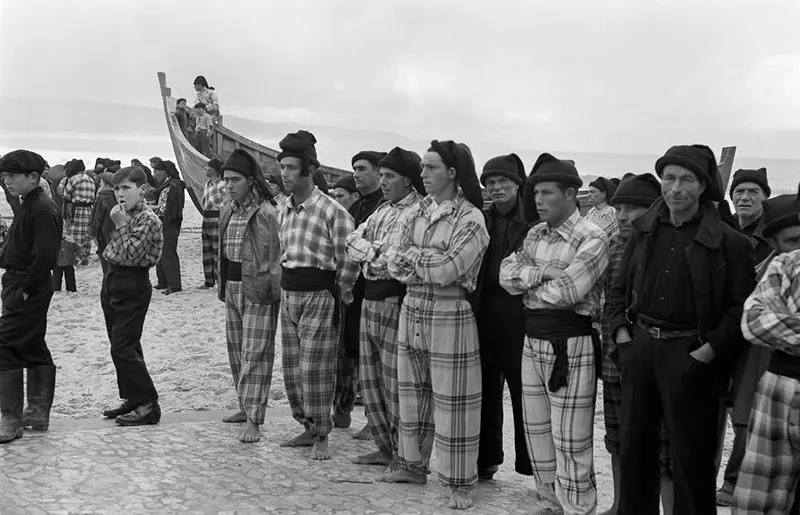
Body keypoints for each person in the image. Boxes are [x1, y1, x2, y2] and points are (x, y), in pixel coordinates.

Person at [607, 144, 756, 514]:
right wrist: (622, 338)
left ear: (703, 186)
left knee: (692, 458)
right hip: (640, 348)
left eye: (687, 179)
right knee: (634, 450)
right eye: (669, 178)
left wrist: (707, 353)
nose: (676, 188)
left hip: (691, 354)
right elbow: (618, 290)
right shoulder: (643, 233)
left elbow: (741, 309)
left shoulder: (730, 242)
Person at [380, 140, 489, 511]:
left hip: (449, 312)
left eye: (431, 168)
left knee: (454, 400)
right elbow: (393, 263)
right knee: (411, 392)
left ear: (452, 172)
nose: (423, 174)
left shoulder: (471, 218)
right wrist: (418, 260)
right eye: (423, 167)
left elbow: (449, 270)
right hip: (413, 306)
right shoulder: (418, 213)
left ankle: (459, 483)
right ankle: (412, 464)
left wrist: (413, 258)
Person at [499, 153, 609, 514]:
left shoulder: (592, 237)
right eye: (536, 194)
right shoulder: (534, 233)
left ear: (571, 193)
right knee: (537, 432)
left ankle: (578, 509)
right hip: (533, 338)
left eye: (546, 193)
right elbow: (505, 276)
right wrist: (546, 274)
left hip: (571, 342)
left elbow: (569, 293)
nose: (538, 200)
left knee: (572, 438)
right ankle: (550, 504)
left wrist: (530, 279)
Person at [276, 130, 359, 461]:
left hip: (320, 293)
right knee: (293, 367)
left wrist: (342, 291)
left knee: (316, 368)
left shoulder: (332, 211)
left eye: (291, 167)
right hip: (289, 291)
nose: (284, 173)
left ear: (309, 170)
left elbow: (349, 256)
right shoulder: (284, 208)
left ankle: (322, 435)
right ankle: (307, 426)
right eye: (282, 166)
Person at [346, 147, 424, 467]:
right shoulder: (382, 210)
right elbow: (352, 241)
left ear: (408, 179)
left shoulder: (416, 213)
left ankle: (405, 452)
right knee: (371, 377)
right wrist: (377, 251)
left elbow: (400, 259)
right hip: (370, 300)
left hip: (395, 299)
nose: (384, 181)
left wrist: (373, 252)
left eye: (389, 176)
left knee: (396, 381)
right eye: (381, 176)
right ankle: (384, 446)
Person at [732, 186, 800, 514]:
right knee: (762, 498)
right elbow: (755, 322)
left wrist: (785, 324)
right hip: (774, 383)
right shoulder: (785, 266)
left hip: (776, 365)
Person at [597, 173, 662, 515]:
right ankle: (620, 504)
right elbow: (607, 301)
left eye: (631, 208)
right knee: (617, 438)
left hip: (652, 361)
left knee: (657, 443)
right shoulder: (611, 246)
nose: (622, 216)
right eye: (618, 207)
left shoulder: (663, 247)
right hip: (613, 357)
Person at [473, 153, 533, 481]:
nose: (496, 188)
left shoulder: (533, 222)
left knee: (525, 391)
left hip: (519, 315)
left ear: (517, 183)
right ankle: (486, 458)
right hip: (485, 312)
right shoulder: (483, 218)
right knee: (484, 389)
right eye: (490, 183)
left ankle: (533, 465)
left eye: (502, 182)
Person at [217, 149, 282, 443]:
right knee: (236, 350)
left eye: (234, 180)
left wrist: (271, 286)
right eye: (226, 180)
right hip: (231, 285)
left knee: (256, 353)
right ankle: (245, 406)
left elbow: (275, 254)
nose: (228, 186)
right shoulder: (228, 209)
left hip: (257, 287)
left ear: (251, 180)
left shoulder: (268, 212)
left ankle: (255, 418)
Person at [0, 150, 62, 444]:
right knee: (34, 345)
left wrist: (25, 291)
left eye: (12, 175)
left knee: (4, 344)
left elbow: (45, 256)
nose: (6, 180)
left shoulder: (42, 208)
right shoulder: (29, 204)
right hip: (18, 282)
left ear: (33, 178)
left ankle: (11, 420)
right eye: (5, 175)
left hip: (28, 286)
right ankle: (37, 412)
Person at [100, 166, 163, 426]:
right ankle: (133, 397)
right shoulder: (125, 214)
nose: (120, 194)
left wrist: (120, 226)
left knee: (122, 347)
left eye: (126, 188)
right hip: (114, 279)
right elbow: (109, 250)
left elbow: (131, 255)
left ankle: (148, 403)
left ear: (143, 189)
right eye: (117, 188)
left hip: (133, 282)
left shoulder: (148, 218)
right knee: (125, 344)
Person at [332, 150, 386, 437]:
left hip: (373, 291)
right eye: (354, 168)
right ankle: (341, 413)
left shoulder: (384, 208)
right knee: (347, 353)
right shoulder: (355, 209)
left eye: (362, 168)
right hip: (351, 289)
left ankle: (373, 420)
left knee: (371, 357)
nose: (357, 173)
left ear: (379, 173)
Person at [152, 160, 185, 295]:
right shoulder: (168, 185)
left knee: (168, 253)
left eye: (156, 172)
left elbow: (164, 208)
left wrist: (148, 208)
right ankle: (163, 282)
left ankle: (174, 285)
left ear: (164, 172)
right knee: (160, 253)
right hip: (164, 222)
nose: (154, 175)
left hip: (169, 222)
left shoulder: (172, 186)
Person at [729, 167, 772, 264]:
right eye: (739, 191)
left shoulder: (774, 235)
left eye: (753, 192)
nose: (744, 198)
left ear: (765, 198)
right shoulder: (720, 229)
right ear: (732, 197)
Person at [59, 159, 96, 266]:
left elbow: (66, 194)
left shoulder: (74, 179)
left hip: (77, 209)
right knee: (86, 234)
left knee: (75, 234)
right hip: (89, 209)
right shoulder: (91, 179)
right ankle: (86, 256)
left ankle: (76, 257)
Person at [200, 158, 226, 289]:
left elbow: (226, 203)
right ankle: (209, 281)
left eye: (208, 166)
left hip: (216, 217)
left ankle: (220, 280)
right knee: (207, 251)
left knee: (217, 251)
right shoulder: (207, 184)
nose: (205, 168)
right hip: (206, 218)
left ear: (214, 169)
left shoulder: (222, 184)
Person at [89, 172, 118, 276]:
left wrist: (93, 234)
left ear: (104, 183)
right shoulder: (117, 196)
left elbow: (97, 218)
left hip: (104, 232)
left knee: (106, 262)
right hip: (117, 232)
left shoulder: (102, 198)